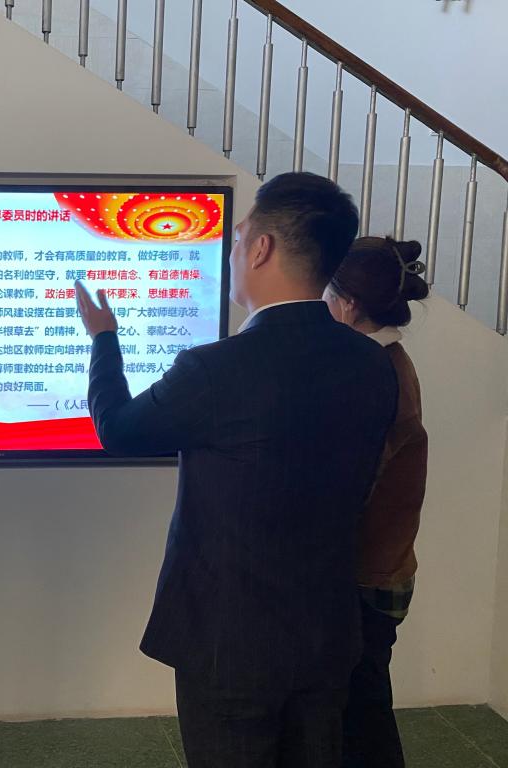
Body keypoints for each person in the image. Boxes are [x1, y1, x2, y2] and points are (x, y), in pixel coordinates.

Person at [75, 172, 399, 768]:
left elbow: (118, 430)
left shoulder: (215, 369)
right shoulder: (373, 366)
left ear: (261, 248)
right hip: (328, 636)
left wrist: (104, 339)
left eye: (239, 235)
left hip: (230, 645)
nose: (232, 250)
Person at [323, 237, 429, 768]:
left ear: (348, 305)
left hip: (368, 575)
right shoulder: (387, 362)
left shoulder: (377, 374)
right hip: (380, 568)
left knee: (362, 714)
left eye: (326, 294)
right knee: (360, 704)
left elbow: (351, 482)